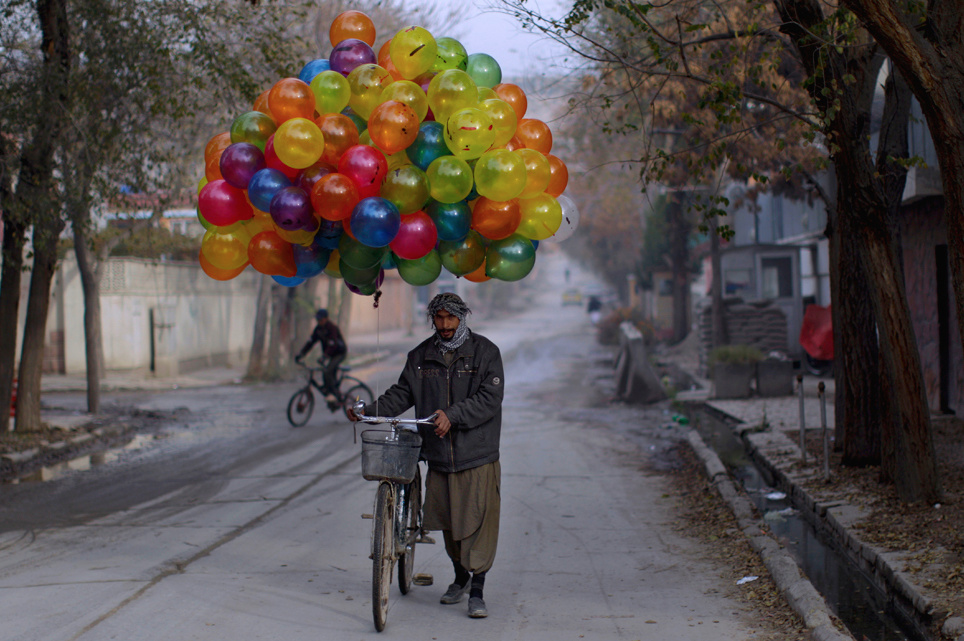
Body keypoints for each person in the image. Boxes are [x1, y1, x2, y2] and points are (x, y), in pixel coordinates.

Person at [348, 292, 504, 619]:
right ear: (432, 318)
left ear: (462, 317)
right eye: (439, 318)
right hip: (438, 457)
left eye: (451, 318)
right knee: (448, 523)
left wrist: (452, 415)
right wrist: (368, 412)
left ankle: (477, 589)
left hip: (476, 454)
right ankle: (460, 578)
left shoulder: (485, 353)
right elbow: (401, 393)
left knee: (477, 523)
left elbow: (489, 399)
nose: (445, 325)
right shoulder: (420, 356)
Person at [294, 309, 347, 403]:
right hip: (330, 354)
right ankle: (331, 393)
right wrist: (301, 354)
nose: (319, 322)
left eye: (321, 320)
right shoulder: (318, 329)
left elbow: (333, 345)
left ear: (326, 319)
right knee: (326, 372)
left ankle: (334, 394)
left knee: (327, 371)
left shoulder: (332, 328)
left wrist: (325, 356)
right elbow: (310, 343)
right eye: (317, 320)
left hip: (339, 353)